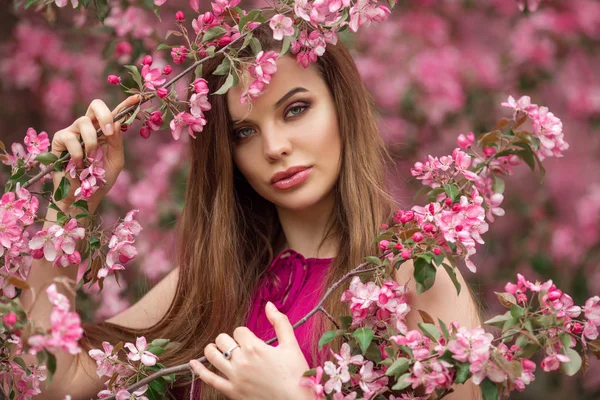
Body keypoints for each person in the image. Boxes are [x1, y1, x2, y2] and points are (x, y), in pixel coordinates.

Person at [18, 20, 482, 400]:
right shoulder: (211, 282)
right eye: (244, 133)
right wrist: (68, 209)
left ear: (343, 107)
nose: (275, 148)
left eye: (296, 109)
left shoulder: (417, 277)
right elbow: (54, 383)